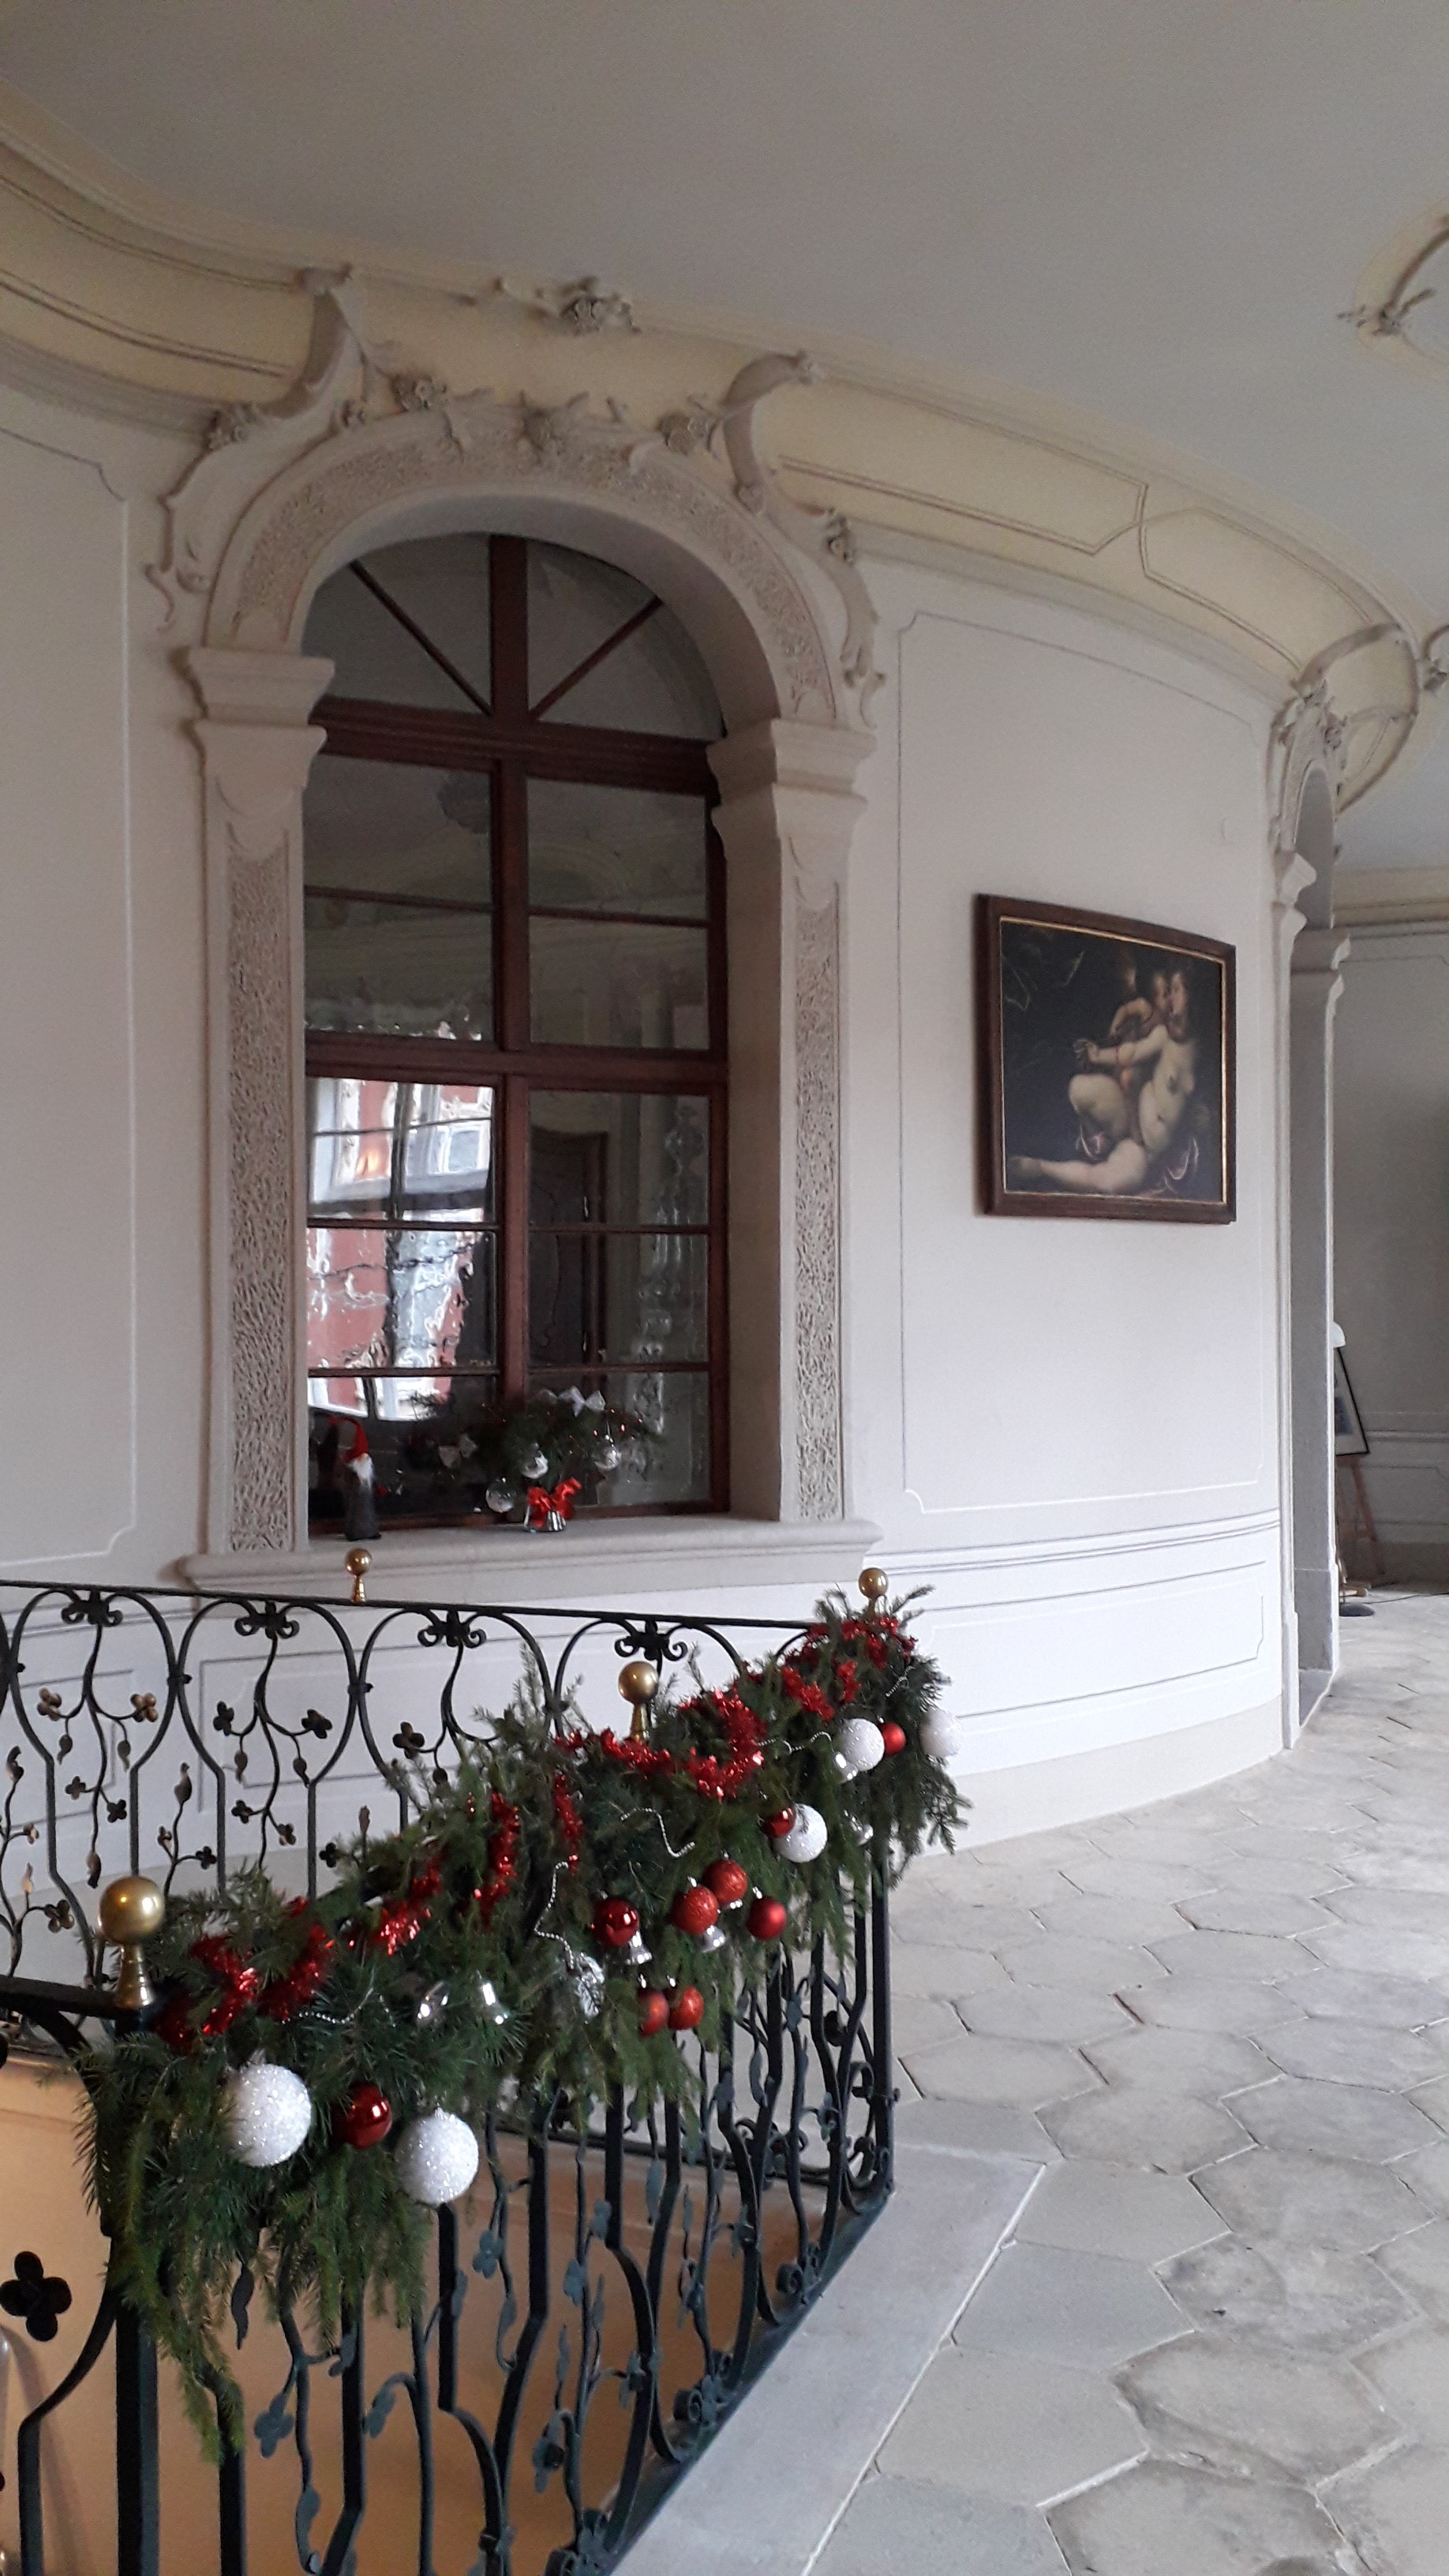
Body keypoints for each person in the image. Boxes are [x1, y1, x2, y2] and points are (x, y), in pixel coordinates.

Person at [1009, 958, 1200, 1196]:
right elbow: (1131, 1053)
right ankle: (1099, 1138)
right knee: (1079, 1088)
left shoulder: (1200, 1050)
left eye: (1175, 990)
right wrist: (1097, 1055)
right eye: (1168, 991)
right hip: (1131, 1120)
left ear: (1192, 996)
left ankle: (1040, 1168)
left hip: (1146, 1152)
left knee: (1105, 1182)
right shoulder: (1163, 1035)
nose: (1169, 998)